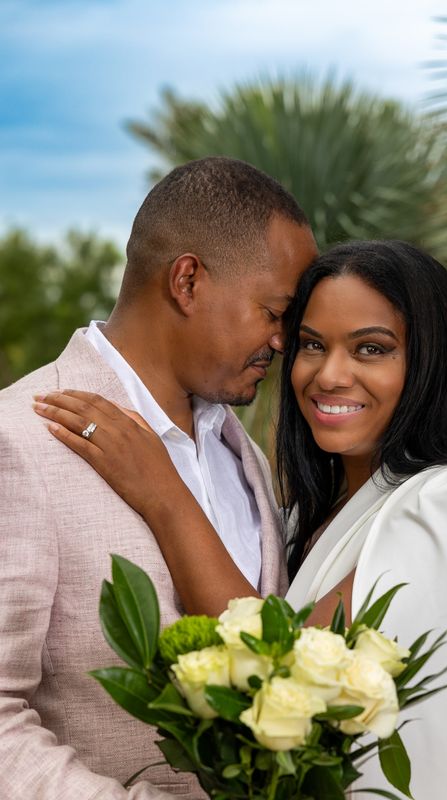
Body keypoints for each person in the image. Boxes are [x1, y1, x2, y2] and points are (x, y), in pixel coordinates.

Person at [35, 241, 447, 799]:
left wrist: (165, 494)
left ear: (431, 364)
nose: (329, 375)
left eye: (370, 349)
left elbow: (281, 682)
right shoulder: (295, 522)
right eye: (312, 345)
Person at [0, 156, 318, 799]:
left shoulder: (247, 459)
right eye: (274, 311)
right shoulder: (18, 441)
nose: (284, 341)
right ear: (188, 281)